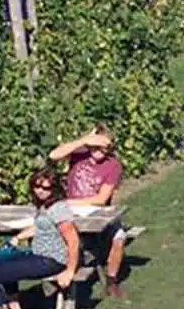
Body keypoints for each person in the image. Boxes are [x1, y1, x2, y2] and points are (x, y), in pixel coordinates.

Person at [0, 170, 79, 309]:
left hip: (51, 260)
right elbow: (40, 227)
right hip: (38, 253)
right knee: (0, 257)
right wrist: (17, 239)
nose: (40, 190)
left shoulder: (59, 209)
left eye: (45, 187)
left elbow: (73, 240)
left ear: (54, 188)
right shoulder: (44, 206)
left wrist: (69, 271)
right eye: (36, 186)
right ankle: (14, 306)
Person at [49, 128, 130, 298]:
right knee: (60, 234)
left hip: (96, 210)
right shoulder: (79, 153)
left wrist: (70, 202)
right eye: (95, 145)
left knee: (119, 237)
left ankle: (111, 279)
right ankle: (60, 276)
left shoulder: (113, 165)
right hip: (72, 209)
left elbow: (101, 199)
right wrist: (82, 141)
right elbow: (54, 156)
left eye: (103, 146)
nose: (98, 150)